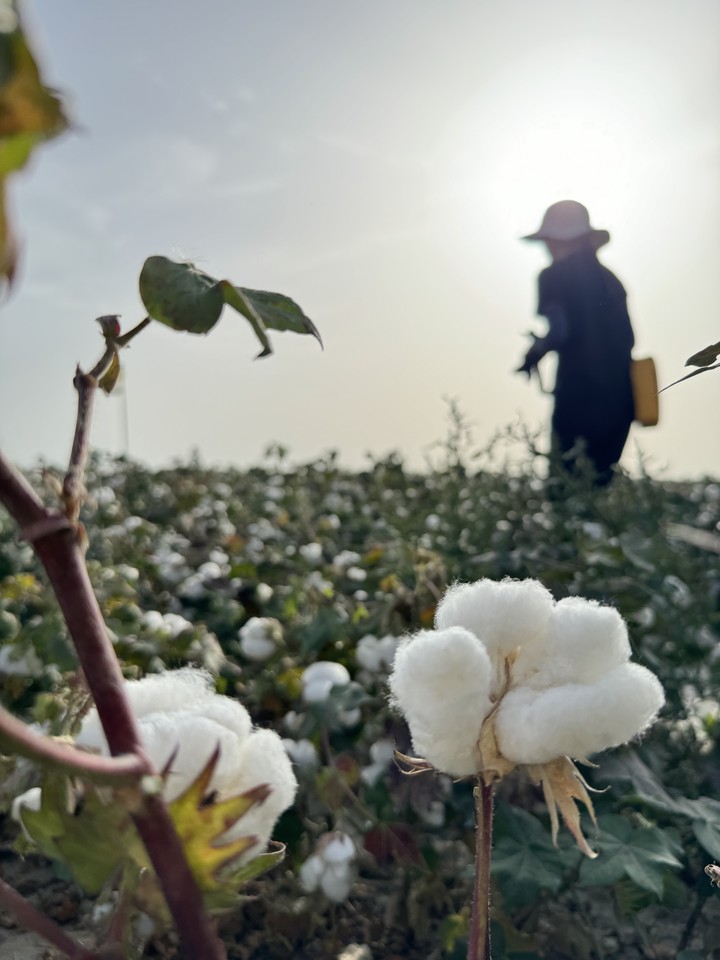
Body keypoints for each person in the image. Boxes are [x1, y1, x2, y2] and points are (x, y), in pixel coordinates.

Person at [517, 200, 635, 486]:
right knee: (598, 488)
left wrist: (534, 353)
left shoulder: (552, 276)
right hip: (620, 399)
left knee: (565, 488)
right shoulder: (611, 280)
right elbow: (630, 339)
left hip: (578, 397)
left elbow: (560, 331)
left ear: (557, 240)